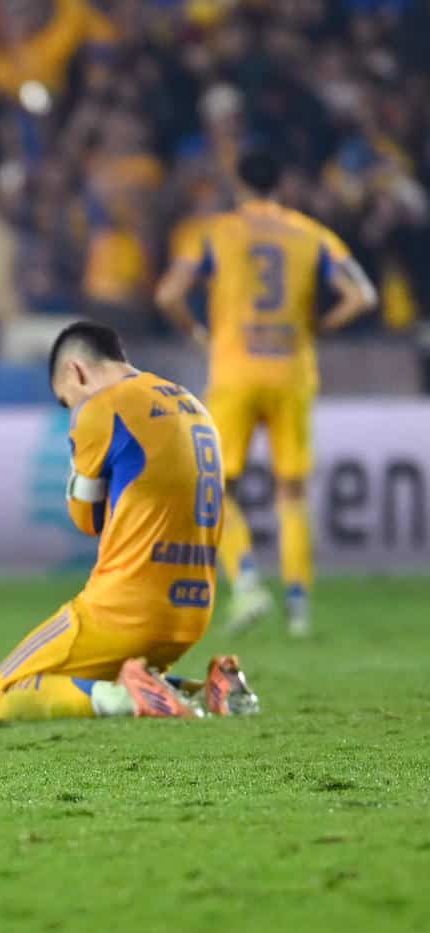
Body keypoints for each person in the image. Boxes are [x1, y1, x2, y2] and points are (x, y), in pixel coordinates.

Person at [0, 321, 258, 722]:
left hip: (122, 610)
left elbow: (84, 520)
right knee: (118, 674)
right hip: (192, 612)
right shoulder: (194, 405)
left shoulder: (102, 408)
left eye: (69, 399)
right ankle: (215, 688)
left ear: (76, 371)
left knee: (1, 693)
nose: (74, 408)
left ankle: (127, 701)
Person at [155, 149, 377, 636]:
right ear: (284, 186)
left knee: (218, 486)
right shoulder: (311, 234)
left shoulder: (217, 232)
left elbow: (169, 294)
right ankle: (298, 606)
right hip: (292, 370)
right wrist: (318, 326)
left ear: (240, 187)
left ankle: (248, 581)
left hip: (234, 370)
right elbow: (363, 295)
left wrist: (197, 332)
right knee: (292, 491)